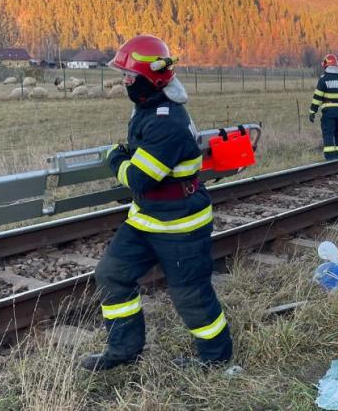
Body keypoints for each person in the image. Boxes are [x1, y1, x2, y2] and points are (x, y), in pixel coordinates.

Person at [80, 34, 231, 371]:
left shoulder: (167, 122)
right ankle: (124, 350)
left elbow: (138, 179)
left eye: (129, 77)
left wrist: (114, 160)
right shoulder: (148, 108)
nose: (124, 82)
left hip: (180, 225)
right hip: (146, 219)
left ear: (150, 80)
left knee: (190, 296)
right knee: (111, 275)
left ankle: (216, 359)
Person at [309, 54, 338, 160]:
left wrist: (312, 111)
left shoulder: (323, 79)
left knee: (328, 134)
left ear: (326, 65)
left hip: (328, 113)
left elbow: (317, 97)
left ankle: (331, 158)